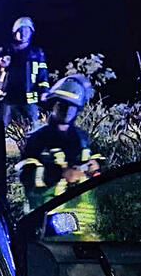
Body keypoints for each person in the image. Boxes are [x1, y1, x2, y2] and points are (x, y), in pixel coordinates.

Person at [16, 74, 103, 210]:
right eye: (63, 105)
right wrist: (59, 174)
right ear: (54, 105)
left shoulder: (83, 138)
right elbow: (26, 175)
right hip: (48, 215)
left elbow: (99, 162)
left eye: (73, 106)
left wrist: (96, 167)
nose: (68, 110)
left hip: (84, 216)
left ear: (78, 109)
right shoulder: (38, 138)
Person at [0, 17, 49, 127]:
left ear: (31, 32)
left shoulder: (37, 53)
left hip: (29, 99)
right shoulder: (6, 49)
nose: (24, 33)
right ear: (15, 32)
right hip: (7, 98)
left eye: (27, 30)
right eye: (21, 30)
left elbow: (43, 75)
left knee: (32, 130)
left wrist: (44, 91)